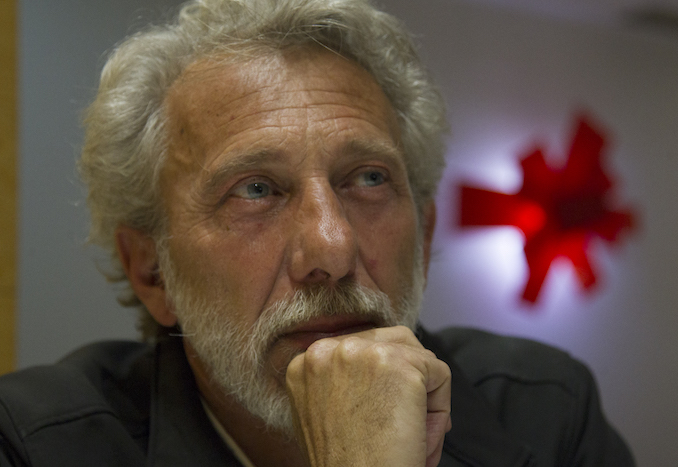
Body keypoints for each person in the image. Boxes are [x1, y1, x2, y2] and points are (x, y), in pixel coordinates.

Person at [0, 0, 635, 465]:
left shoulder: (544, 411)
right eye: (256, 189)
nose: (332, 247)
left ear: (425, 234)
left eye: (368, 179)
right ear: (152, 270)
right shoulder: (32, 442)